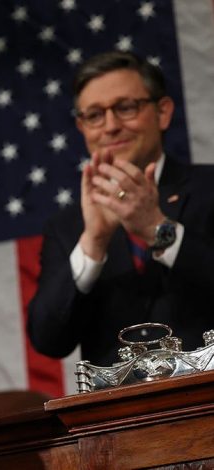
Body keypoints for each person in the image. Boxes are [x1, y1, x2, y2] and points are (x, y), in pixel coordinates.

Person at [27, 51, 214, 367]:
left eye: (125, 108)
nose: (110, 126)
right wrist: (93, 243)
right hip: (119, 412)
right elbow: (48, 339)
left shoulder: (209, 187)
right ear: (82, 126)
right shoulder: (68, 226)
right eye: (95, 115)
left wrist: (158, 230)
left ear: (163, 112)